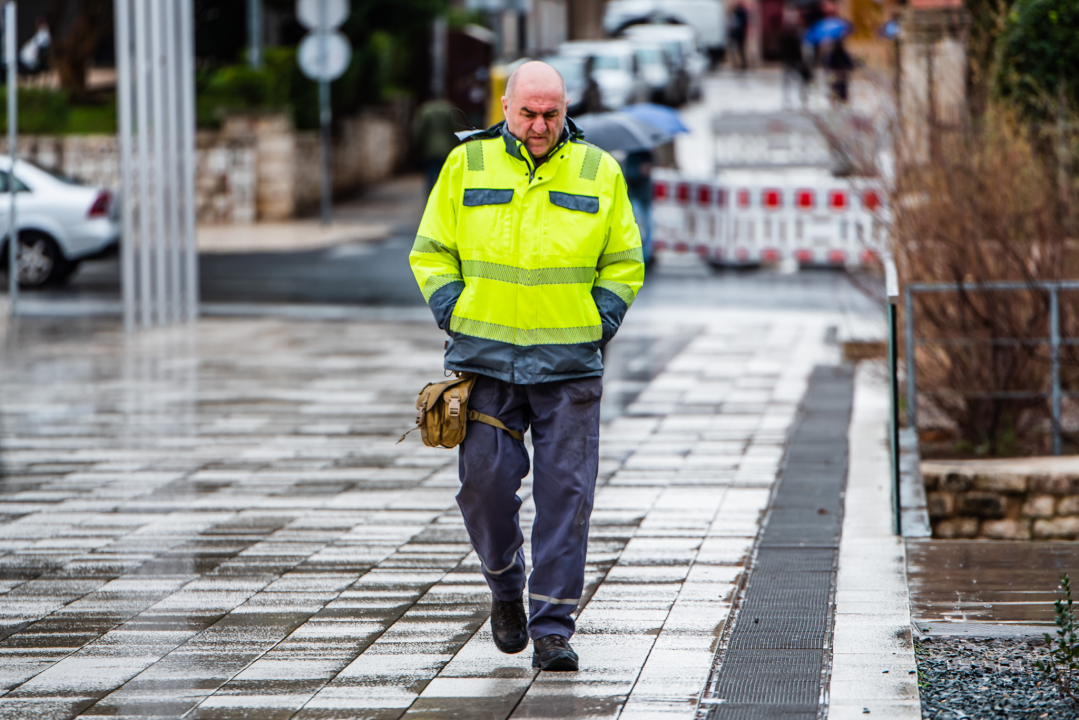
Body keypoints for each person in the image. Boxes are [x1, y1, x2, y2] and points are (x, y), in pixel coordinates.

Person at [408, 61, 644, 672]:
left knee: (567, 495)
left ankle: (552, 627)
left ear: (566, 110)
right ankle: (506, 584)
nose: (539, 126)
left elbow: (623, 260)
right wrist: (452, 310)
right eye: (528, 113)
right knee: (482, 488)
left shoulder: (600, 170)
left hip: (569, 366)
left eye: (551, 114)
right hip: (485, 364)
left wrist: (601, 322)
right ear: (506, 107)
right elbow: (432, 250)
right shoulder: (467, 164)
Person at [411, 98, 458, 195]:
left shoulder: (425, 110)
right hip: (447, 148)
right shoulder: (448, 108)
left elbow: (418, 131)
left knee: (430, 176)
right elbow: (456, 128)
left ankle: (431, 199)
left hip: (430, 149)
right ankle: (444, 197)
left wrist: (417, 145)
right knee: (445, 175)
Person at [779, 7, 811, 109]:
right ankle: (797, 98)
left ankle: (791, 98)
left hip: (791, 60)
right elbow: (796, 50)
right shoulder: (795, 35)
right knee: (795, 80)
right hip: (794, 60)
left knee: (791, 80)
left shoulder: (790, 34)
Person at [824, 37, 854, 104]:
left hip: (835, 74)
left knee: (835, 89)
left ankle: (836, 101)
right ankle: (842, 101)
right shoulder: (843, 53)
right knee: (842, 89)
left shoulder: (831, 54)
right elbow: (849, 64)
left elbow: (828, 65)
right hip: (842, 74)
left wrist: (829, 71)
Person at [728, 2, 749, 71]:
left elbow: (744, 22)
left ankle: (743, 64)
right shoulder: (733, 15)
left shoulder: (740, 15)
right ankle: (735, 64)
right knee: (734, 50)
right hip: (735, 35)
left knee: (740, 50)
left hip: (739, 35)